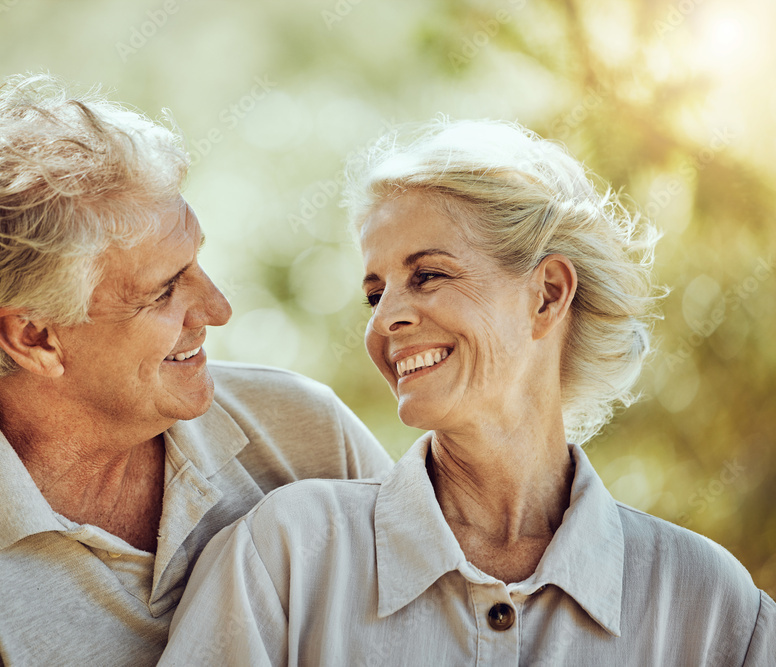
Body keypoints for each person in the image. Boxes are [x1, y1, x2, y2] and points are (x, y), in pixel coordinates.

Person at [0, 74, 392, 666]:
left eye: (196, 262)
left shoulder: (305, 431)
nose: (218, 309)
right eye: (163, 292)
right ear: (34, 338)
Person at [160, 119, 775, 665]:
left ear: (548, 294)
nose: (385, 320)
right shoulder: (287, 556)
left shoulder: (711, 604)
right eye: (376, 294)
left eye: (427, 276)